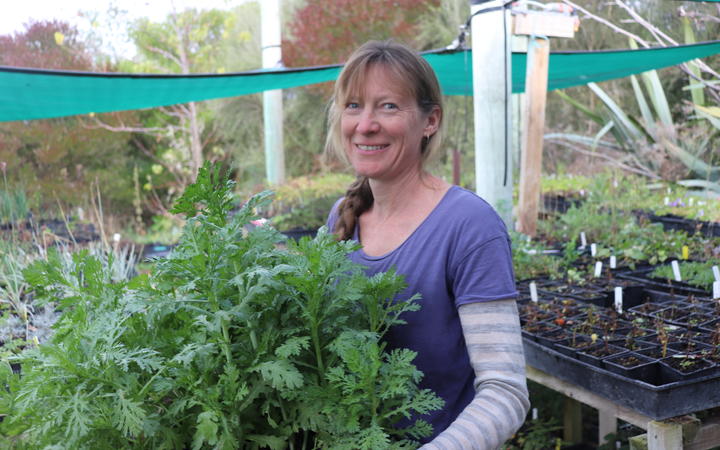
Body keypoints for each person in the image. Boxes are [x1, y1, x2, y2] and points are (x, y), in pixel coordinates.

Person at [324, 40, 530, 449]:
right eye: (353, 106)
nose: (365, 124)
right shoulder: (340, 219)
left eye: (388, 106)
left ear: (430, 120)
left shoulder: (469, 226)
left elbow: (505, 393)